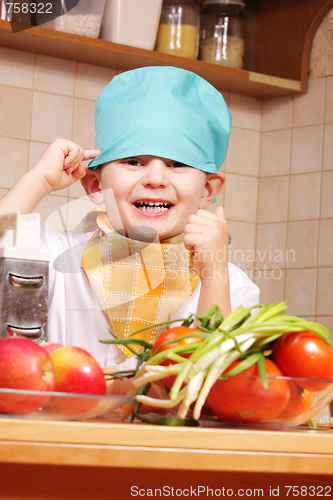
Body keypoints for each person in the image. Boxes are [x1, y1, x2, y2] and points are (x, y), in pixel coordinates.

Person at [0, 66, 259, 377]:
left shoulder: (229, 285)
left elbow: (218, 382)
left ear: (207, 191)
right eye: (133, 161)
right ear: (95, 185)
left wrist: (214, 277)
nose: (154, 178)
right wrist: (38, 180)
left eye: (177, 164)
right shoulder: (58, 256)